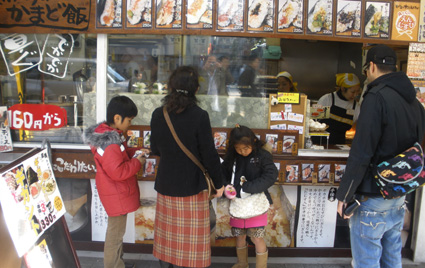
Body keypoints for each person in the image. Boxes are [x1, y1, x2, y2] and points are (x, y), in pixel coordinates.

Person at [336, 45, 425, 268]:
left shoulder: (376, 97)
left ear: (372, 66)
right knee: (392, 257)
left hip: (372, 195)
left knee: (366, 260)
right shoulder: (414, 102)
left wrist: (345, 194)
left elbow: (362, 151)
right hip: (398, 193)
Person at [150, 66, 225, 268]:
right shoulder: (200, 115)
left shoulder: (159, 114)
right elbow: (209, 154)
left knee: (168, 238)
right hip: (192, 187)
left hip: (166, 185)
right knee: (192, 243)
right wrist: (219, 184)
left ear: (170, 87)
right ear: (197, 89)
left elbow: (155, 148)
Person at [83, 95, 149, 268]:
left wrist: (135, 151)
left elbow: (120, 156)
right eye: (129, 120)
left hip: (115, 192)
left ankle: (118, 262)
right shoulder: (111, 143)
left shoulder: (110, 137)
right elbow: (118, 172)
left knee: (117, 233)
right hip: (117, 193)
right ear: (117, 118)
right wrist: (137, 162)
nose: (130, 124)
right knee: (115, 235)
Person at [221, 124, 278, 268]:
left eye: (245, 148)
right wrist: (227, 186)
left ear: (253, 142)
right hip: (238, 204)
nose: (242, 152)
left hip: (256, 203)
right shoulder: (231, 157)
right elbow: (222, 174)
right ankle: (242, 263)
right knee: (239, 236)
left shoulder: (262, 155)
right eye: (238, 149)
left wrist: (249, 187)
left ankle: (261, 266)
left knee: (256, 237)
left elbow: (271, 175)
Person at [316, 73, 361, 144]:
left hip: (340, 144)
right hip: (320, 142)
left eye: (357, 91)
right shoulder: (327, 99)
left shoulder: (356, 106)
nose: (355, 95)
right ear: (343, 88)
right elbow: (314, 123)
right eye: (352, 92)